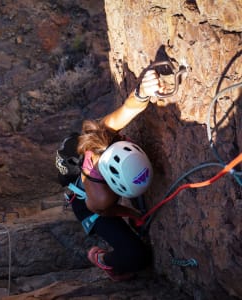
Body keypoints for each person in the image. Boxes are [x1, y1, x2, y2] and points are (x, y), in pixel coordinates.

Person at [71, 68, 163, 281]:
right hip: (88, 206)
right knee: (137, 257)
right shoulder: (102, 198)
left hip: (103, 186)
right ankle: (103, 260)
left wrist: (144, 90)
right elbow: (104, 210)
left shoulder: (106, 132)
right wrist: (132, 215)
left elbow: (129, 107)